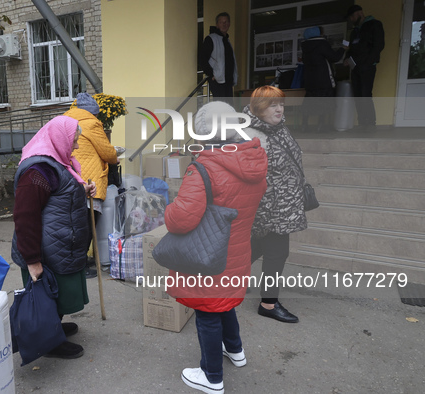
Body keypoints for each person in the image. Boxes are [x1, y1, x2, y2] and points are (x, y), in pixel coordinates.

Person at [165, 101, 268, 394]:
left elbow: (181, 220)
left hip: (208, 255)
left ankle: (211, 377)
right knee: (223, 302)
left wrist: (169, 210)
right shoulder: (254, 161)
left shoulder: (204, 168)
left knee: (208, 310)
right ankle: (235, 351)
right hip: (236, 251)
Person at [11, 115, 96, 359]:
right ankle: (48, 342)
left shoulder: (56, 164)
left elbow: (58, 194)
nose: (77, 146)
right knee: (47, 294)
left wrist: (82, 189)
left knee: (57, 293)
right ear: (60, 138)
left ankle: (54, 328)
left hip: (58, 245)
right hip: (45, 249)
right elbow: (25, 216)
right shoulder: (37, 171)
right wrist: (33, 259)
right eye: (75, 141)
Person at [242, 85, 308, 323]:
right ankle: (268, 304)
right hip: (269, 206)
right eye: (272, 105)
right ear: (259, 108)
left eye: (281, 104)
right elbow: (250, 176)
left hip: (284, 202)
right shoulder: (252, 134)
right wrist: (267, 208)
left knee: (255, 248)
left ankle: (228, 279)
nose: (279, 109)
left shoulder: (277, 127)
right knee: (277, 252)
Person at [64, 93, 119, 278]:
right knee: (87, 224)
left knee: (75, 223)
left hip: (69, 178)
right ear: (92, 112)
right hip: (89, 181)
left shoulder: (65, 119)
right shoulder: (91, 124)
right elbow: (108, 153)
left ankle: (78, 260)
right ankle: (81, 266)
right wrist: (115, 155)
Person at [344, 4, 385, 130]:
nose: (351, 20)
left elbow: (379, 45)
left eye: (351, 17)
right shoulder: (355, 32)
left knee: (365, 94)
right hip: (355, 68)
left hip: (367, 67)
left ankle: (370, 122)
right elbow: (351, 48)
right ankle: (362, 122)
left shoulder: (375, 25)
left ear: (359, 14)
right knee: (357, 95)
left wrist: (367, 62)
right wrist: (347, 59)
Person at [301, 26, 345, 132]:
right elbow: (334, 57)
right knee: (324, 101)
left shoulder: (305, 46)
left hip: (309, 80)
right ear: (319, 33)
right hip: (323, 79)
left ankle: (304, 124)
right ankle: (320, 125)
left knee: (309, 101)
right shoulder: (322, 44)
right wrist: (343, 49)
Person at [199, 12, 238, 100]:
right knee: (221, 108)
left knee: (227, 109)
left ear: (229, 24)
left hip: (228, 81)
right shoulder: (211, 39)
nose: (224, 24)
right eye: (221, 22)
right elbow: (202, 58)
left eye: (226, 22)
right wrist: (211, 74)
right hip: (217, 80)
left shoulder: (226, 41)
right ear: (217, 24)